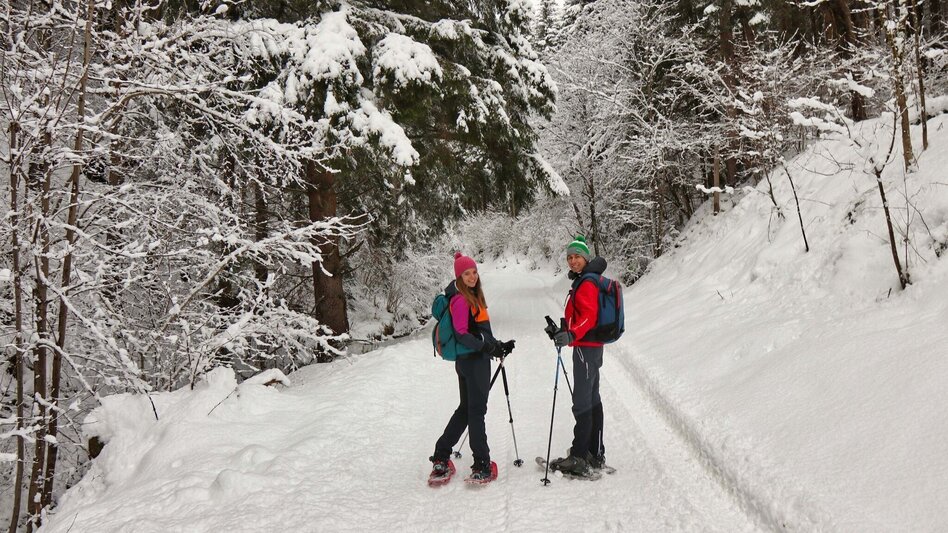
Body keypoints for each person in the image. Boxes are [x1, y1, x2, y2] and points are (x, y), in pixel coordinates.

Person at [429, 252, 515, 483]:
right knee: (476, 412)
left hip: (469, 362)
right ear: (458, 276)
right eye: (466, 273)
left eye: (474, 272)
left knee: (466, 410)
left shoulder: (472, 297)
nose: (472, 276)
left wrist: (498, 345)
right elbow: (462, 334)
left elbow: (479, 332)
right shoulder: (461, 299)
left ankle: (441, 455)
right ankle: (482, 464)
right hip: (474, 362)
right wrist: (487, 349)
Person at [550, 235, 607, 477]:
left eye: (577, 257)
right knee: (592, 398)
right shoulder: (588, 280)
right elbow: (582, 317)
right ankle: (594, 453)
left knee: (582, 401)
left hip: (585, 347)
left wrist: (571, 335)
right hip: (591, 346)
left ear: (586, 258)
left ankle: (579, 456)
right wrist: (565, 331)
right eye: (570, 257)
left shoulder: (586, 283)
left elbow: (589, 317)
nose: (573, 261)